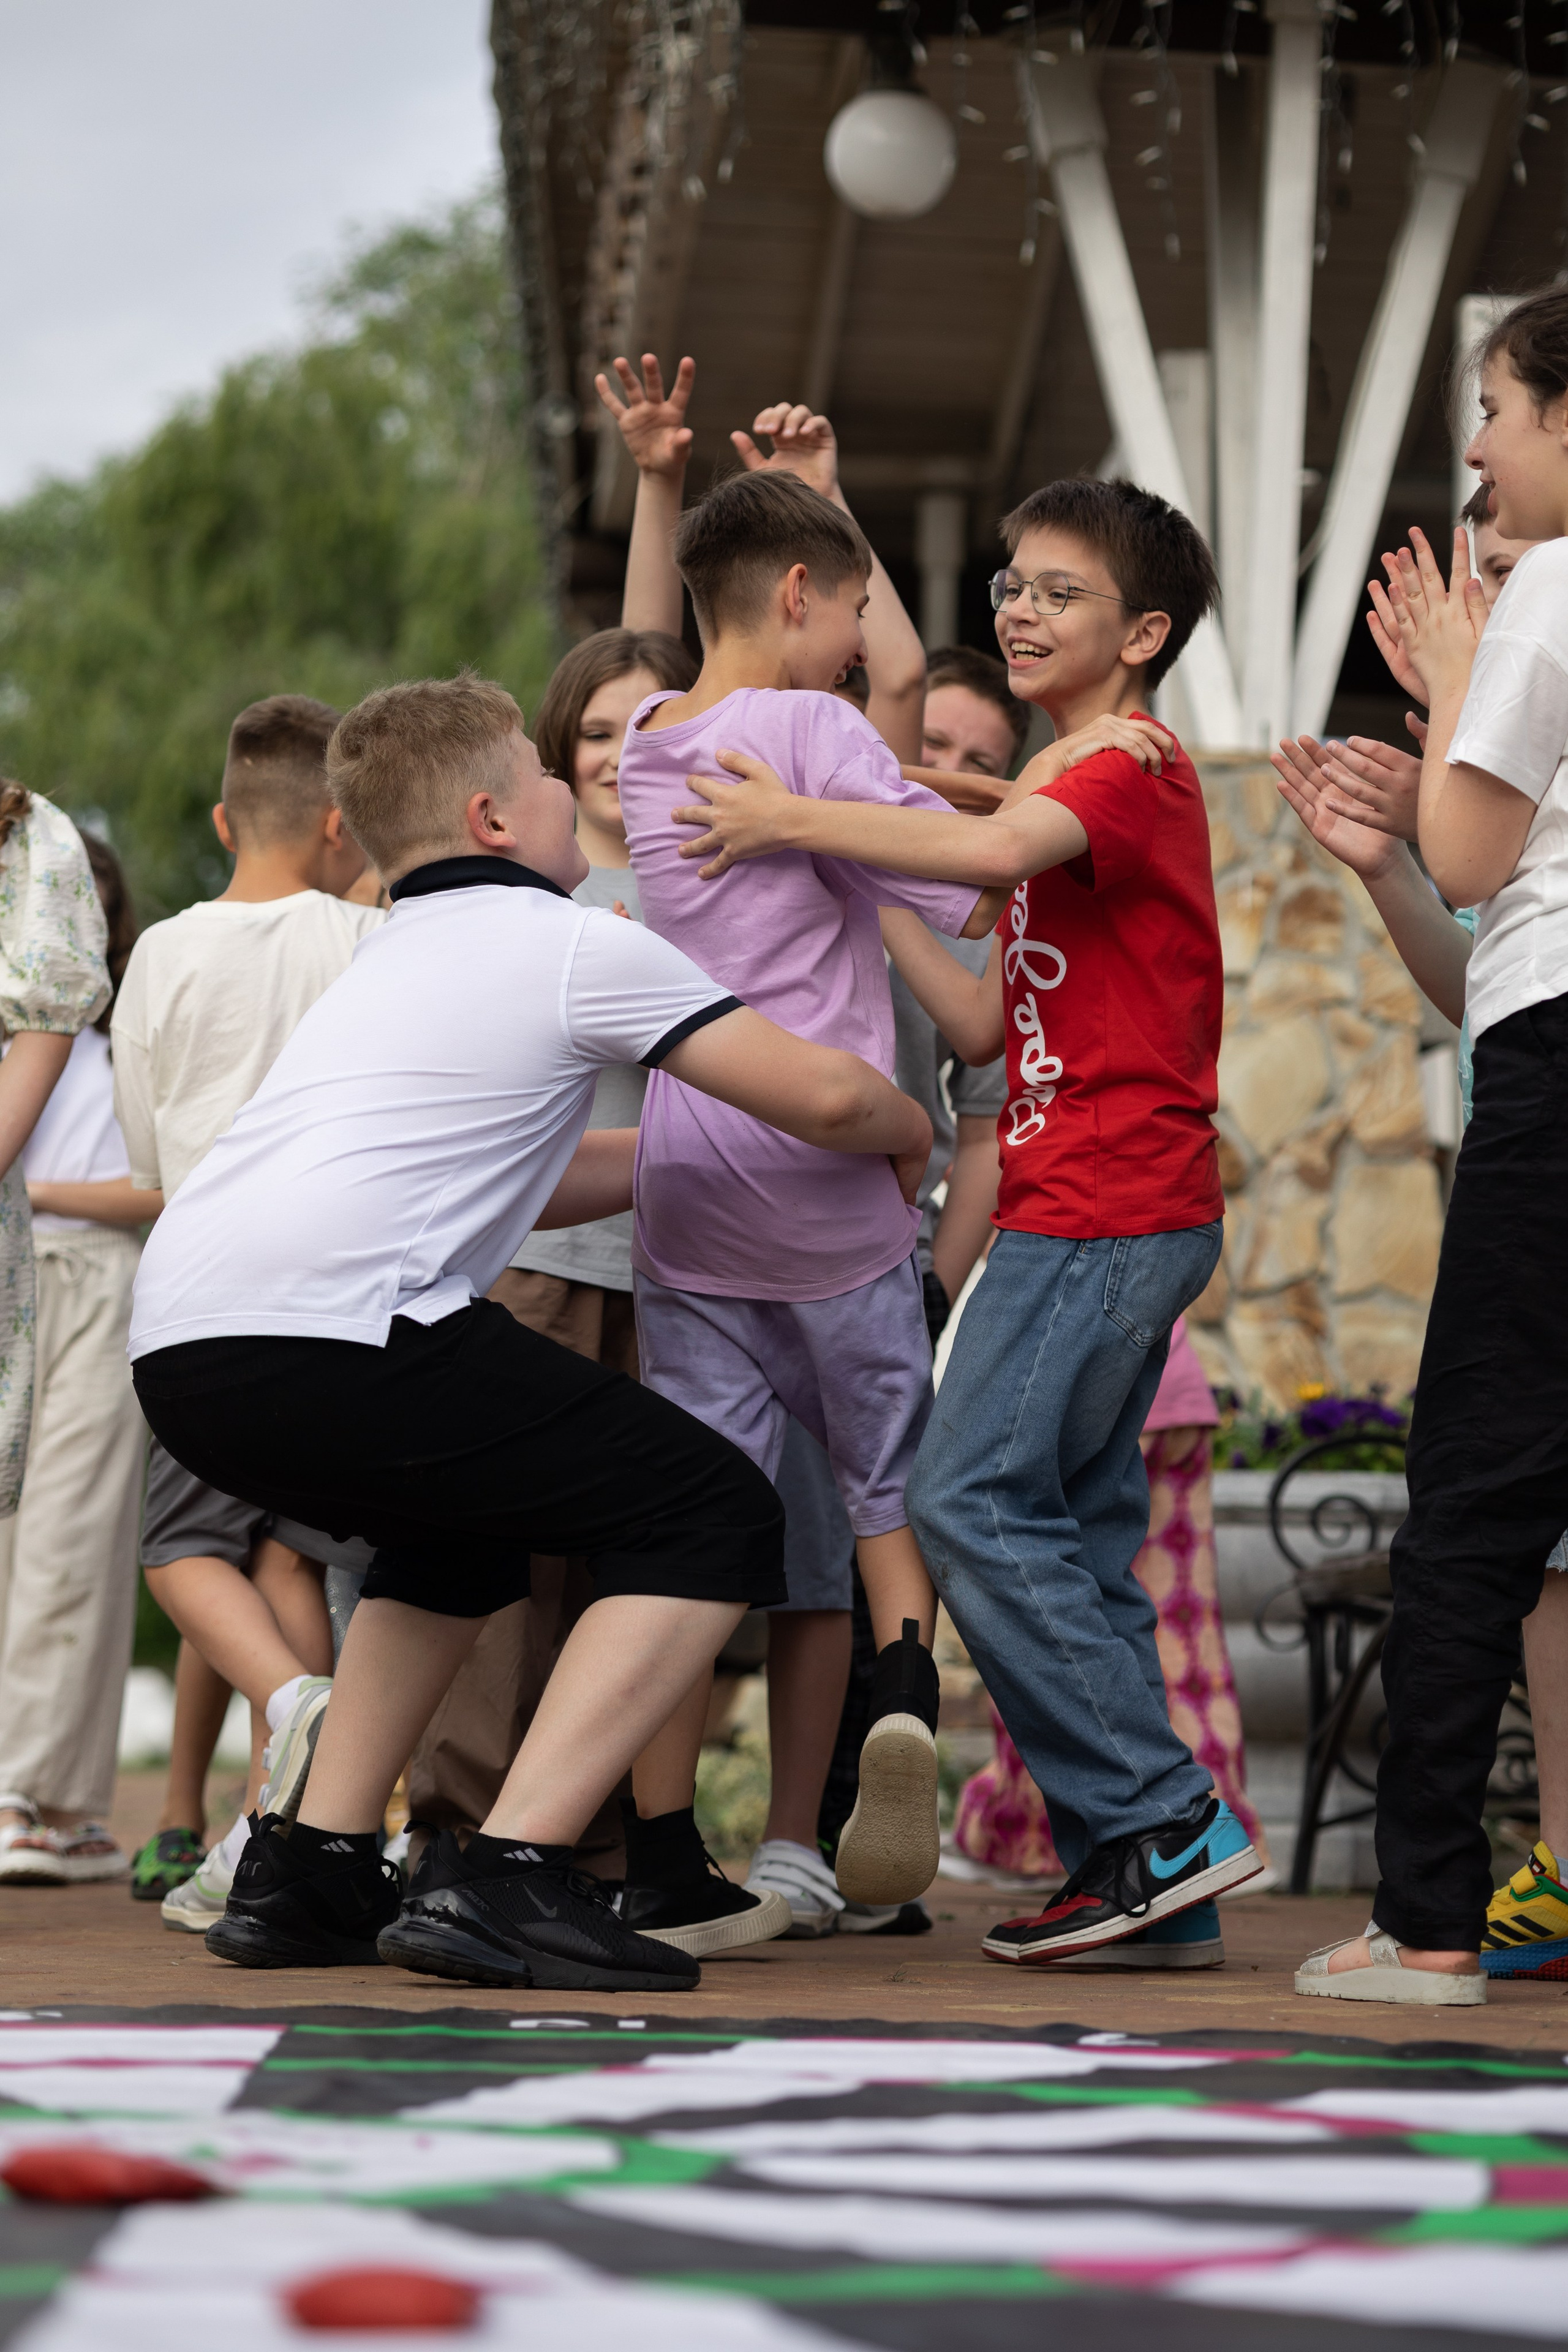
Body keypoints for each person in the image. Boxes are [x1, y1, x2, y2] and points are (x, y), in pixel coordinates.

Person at [129, 671, 932, 1989]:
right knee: (712, 1513)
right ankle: (511, 1871)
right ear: (497, 815)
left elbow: (518, 1172)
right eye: (554, 776)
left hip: (193, 1344)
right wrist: (906, 1137)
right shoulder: (572, 944)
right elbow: (832, 1094)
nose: (581, 790)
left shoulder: (381, 957)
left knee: (457, 1533)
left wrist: (672, 1162)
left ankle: (313, 1863)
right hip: (345, 1329)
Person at [668, 473, 1264, 1962]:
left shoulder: (1123, 762)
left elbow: (993, 847)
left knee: (963, 1498)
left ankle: (1161, 1812)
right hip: (1099, 1208)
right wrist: (854, 864)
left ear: (1141, 632)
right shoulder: (1070, 788)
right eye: (1007, 580)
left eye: (1055, 589)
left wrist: (788, 813)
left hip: (1103, 1208)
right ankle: (1138, 1868)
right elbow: (986, 1009)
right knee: (1066, 1527)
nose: (1014, 604)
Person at [614, 464, 1001, 1920]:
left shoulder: (647, 743)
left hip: (689, 1182)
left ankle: (659, 1851)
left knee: (690, 1526)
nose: (857, 640)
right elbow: (967, 880)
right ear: (795, 595)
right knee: (881, 1484)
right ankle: (901, 1700)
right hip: (836, 1175)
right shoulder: (810, 732)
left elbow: (668, 647)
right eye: (847, 605)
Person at [1282, 285, 1568, 2006]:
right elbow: (1489, 936)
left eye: (1496, 405)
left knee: (1472, 1493)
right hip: (1536, 1036)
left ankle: (1430, 1920)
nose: (1475, 443)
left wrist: (1463, 679)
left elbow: (1472, 857)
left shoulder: (1547, 591)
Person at [404, 626, 698, 1898]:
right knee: (498, 1552)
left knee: (628, 1555)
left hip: (681, 1272)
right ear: (557, 759)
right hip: (537, 1262)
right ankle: (455, 1825)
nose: (624, 752)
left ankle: (580, 1837)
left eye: (653, 726)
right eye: (594, 731)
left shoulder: (711, 875)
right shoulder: (530, 894)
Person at [112, 693, 382, 1933]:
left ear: (225, 819)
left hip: (206, 1286)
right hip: (344, 1285)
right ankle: (324, 1793)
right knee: (295, 1549)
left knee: (182, 1547)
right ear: (342, 824)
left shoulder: (161, 950)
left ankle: (290, 1707)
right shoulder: (361, 936)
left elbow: (146, 1149)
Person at [952, 1315, 1268, 1966]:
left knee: (979, 1514)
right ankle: (1171, 1906)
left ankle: (1161, 1829)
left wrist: (932, 1294)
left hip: (1090, 1294)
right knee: (1105, 1586)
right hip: (1170, 1378)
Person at [0, 795, 116, 1882]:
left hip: (83, 1273)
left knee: (67, 1538)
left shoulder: (111, 1048)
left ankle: (36, 1795)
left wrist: (38, 1188)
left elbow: (162, 1186)